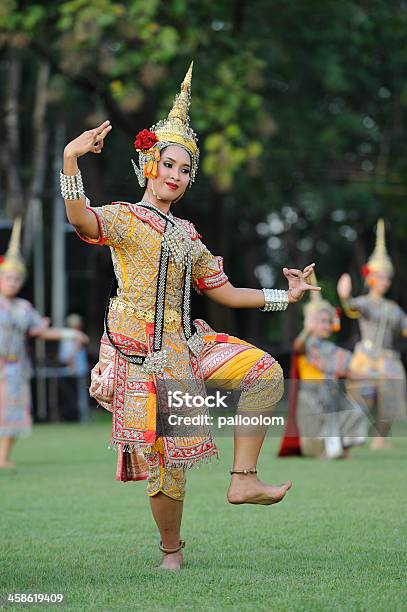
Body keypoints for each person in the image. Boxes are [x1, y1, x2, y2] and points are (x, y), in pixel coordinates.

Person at [61, 63, 320, 570]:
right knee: (168, 465)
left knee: (265, 371)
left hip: (189, 348)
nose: (177, 176)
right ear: (149, 164)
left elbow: (223, 291)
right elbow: (80, 218)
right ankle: (171, 554)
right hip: (143, 359)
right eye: (170, 165)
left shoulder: (188, 236)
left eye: (186, 170)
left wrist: (284, 298)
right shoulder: (124, 218)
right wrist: (71, 158)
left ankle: (244, 480)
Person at [0, 219, 88, 469]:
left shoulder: (23, 309)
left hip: (15, 368)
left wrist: (71, 335)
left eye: (17, 279)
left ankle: (3, 457)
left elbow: (42, 331)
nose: (12, 282)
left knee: (12, 411)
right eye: (8, 277)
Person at [278, 274, 367, 459]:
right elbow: (297, 347)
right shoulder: (306, 343)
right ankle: (329, 450)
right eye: (322, 322)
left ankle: (342, 449)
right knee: (318, 440)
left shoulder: (332, 348)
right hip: (310, 398)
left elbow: (349, 370)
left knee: (354, 411)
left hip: (331, 394)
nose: (327, 326)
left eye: (329, 321)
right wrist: (308, 330)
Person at [337, 219, 407, 450]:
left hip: (388, 359)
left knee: (392, 396)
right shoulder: (365, 303)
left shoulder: (393, 308)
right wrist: (345, 296)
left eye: (387, 277)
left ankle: (380, 439)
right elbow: (351, 308)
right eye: (381, 277)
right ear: (371, 278)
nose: (385, 282)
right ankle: (348, 436)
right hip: (366, 356)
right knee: (360, 400)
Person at [58, 313, 90, 422]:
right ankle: (72, 416)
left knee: (81, 394)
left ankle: (82, 417)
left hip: (79, 370)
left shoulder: (78, 336)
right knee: (71, 394)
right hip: (71, 370)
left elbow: (85, 341)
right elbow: (66, 357)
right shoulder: (69, 336)